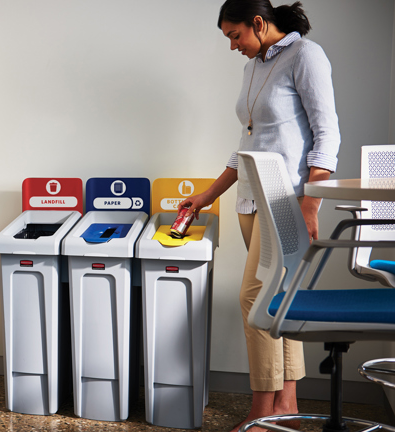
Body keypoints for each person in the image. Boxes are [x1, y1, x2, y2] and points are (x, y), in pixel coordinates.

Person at [179, 1, 341, 431]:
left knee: (255, 299)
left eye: (235, 36)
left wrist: (312, 204)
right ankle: (287, 404)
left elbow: (327, 134)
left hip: (286, 199)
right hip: (252, 199)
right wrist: (206, 196)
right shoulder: (253, 67)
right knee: (279, 299)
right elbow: (248, 143)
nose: (233, 46)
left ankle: (263, 409)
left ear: (258, 22)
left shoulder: (305, 55)